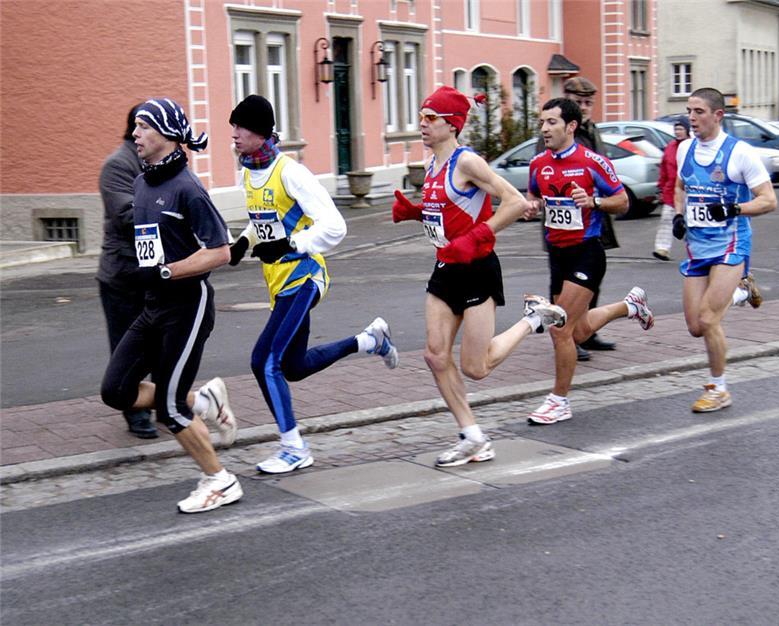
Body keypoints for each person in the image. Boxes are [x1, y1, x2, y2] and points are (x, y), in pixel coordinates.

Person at [392, 86, 567, 467]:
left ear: (451, 124)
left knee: (476, 367)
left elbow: (516, 202)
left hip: (476, 268)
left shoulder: (466, 161)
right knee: (435, 356)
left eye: (430, 118)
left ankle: (533, 318)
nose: (422, 124)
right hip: (446, 266)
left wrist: (476, 237)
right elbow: (449, 211)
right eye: (421, 117)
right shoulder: (430, 165)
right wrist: (417, 212)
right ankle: (472, 437)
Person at [227, 95, 398, 475]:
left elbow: (335, 226)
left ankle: (293, 447)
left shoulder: (292, 173)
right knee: (294, 366)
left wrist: (292, 244)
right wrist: (243, 243)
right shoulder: (249, 172)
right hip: (278, 283)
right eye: (233, 127)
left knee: (264, 361)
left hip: (304, 278)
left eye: (240, 127)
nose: (234, 134)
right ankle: (370, 340)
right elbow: (265, 223)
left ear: (259, 132)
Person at [100, 98, 241, 513]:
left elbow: (221, 252)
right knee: (116, 391)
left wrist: (167, 271)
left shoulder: (188, 188)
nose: (136, 135)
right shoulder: (143, 182)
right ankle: (207, 403)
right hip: (152, 304)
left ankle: (220, 480)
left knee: (170, 408)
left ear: (164, 134)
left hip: (187, 305)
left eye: (143, 128)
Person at [524, 98, 654, 425]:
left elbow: (622, 202)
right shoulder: (538, 163)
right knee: (577, 332)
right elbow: (532, 196)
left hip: (587, 252)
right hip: (557, 254)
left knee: (560, 330)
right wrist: (533, 205)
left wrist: (594, 201)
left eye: (552, 122)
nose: (544, 129)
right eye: (542, 122)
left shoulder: (592, 162)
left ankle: (559, 401)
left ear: (571, 126)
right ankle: (630, 306)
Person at [672, 87, 776, 412]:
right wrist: (678, 213)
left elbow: (769, 200)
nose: (692, 117)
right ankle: (741, 292)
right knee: (693, 326)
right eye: (689, 110)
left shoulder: (739, 153)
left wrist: (733, 209)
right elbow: (680, 186)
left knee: (708, 317)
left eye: (699, 111)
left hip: (731, 244)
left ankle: (719, 388)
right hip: (697, 246)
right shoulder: (684, 149)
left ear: (718, 115)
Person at [539, 76, 617, 359]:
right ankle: (566, 337)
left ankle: (584, 334)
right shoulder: (553, 135)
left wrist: (597, 201)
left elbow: (609, 182)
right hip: (560, 227)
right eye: (579, 102)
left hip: (592, 222)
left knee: (589, 283)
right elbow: (542, 179)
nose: (584, 107)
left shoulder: (591, 131)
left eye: (588, 102)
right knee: (558, 286)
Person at [97, 104, 156, 438]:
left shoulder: (158, 164)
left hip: (154, 274)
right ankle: (134, 411)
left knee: (162, 344)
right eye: (147, 127)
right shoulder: (118, 166)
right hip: (122, 277)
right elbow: (130, 216)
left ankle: (167, 403)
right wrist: (171, 206)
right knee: (126, 348)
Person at [653, 117, 690, 261]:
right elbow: (663, 169)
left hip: (689, 190)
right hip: (671, 190)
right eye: (676, 129)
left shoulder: (692, 145)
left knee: (691, 221)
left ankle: (695, 249)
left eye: (681, 129)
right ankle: (662, 249)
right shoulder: (670, 147)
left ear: (687, 130)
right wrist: (660, 187)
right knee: (667, 219)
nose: (678, 132)